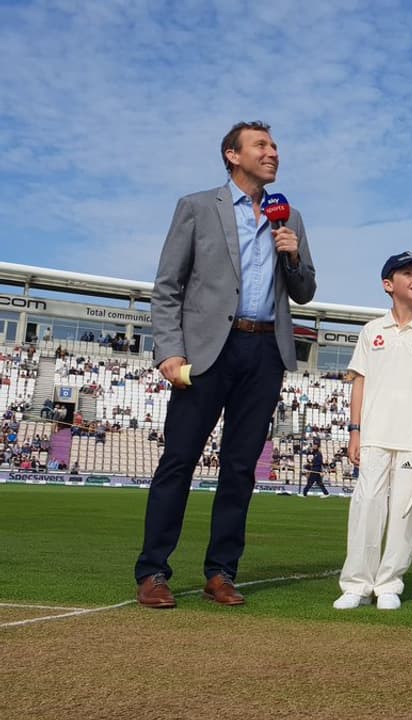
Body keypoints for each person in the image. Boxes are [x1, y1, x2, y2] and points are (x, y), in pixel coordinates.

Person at [134, 121, 317, 609]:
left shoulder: (290, 217)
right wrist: (169, 350)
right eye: (261, 145)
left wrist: (292, 256)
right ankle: (153, 571)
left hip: (265, 353)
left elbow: (304, 291)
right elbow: (167, 286)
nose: (272, 152)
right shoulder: (196, 207)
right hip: (206, 352)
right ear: (232, 155)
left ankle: (221, 573)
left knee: (239, 469)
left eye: (274, 145)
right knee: (179, 461)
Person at [333, 251, 412, 611]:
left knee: (403, 512)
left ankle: (389, 584)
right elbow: (359, 382)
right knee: (366, 507)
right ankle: (356, 584)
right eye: (408, 274)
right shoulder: (372, 331)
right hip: (374, 435)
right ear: (388, 284)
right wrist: (355, 431)